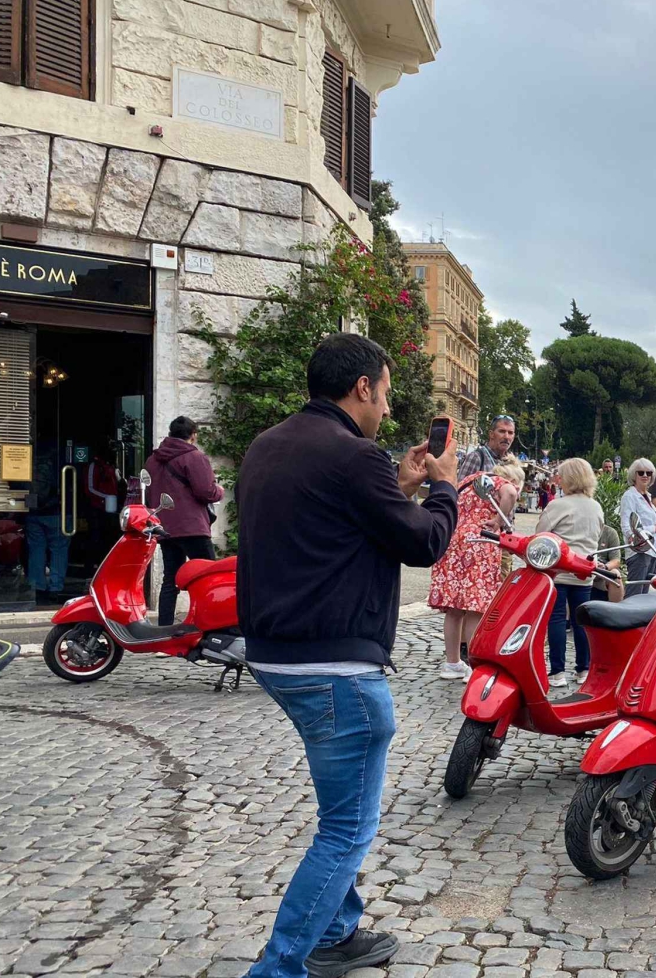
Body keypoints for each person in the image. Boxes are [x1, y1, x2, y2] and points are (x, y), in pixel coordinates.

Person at [237, 333, 458, 978]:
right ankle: (277, 970)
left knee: (341, 808)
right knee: (345, 831)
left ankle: (336, 930)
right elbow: (421, 544)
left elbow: (339, 522)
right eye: (386, 393)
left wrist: (399, 482)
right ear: (361, 387)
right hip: (336, 667)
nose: (389, 409)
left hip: (275, 654)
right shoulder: (354, 456)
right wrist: (441, 489)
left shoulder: (268, 445)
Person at [427, 452, 522, 679]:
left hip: (452, 543)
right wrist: (499, 521)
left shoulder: (468, 482)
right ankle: (475, 666)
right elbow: (508, 493)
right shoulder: (500, 481)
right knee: (475, 609)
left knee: (455, 609)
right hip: (479, 543)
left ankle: (452, 663)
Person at [145, 416, 224, 625]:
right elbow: (205, 491)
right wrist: (219, 491)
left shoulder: (153, 460)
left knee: (170, 580)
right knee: (209, 578)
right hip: (192, 527)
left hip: (165, 527)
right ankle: (212, 626)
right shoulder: (194, 457)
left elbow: (148, 492)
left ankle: (164, 630)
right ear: (193, 435)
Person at [536, 458, 604, 686]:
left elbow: (540, 535)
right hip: (585, 572)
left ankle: (557, 672)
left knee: (556, 619)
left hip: (558, 571)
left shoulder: (558, 505)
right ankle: (583, 669)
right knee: (580, 622)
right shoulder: (596, 506)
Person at [25, 440, 69, 607]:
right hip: (56, 511)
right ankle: (56, 588)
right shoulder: (59, 463)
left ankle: (37, 587)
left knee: (36, 549)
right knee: (58, 549)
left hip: (34, 511)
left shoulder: (30, 461)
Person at [619, 458, 656, 595]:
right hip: (639, 551)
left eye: (649, 473)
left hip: (652, 550)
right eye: (641, 472)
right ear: (634, 475)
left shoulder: (648, 496)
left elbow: (650, 520)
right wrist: (654, 529)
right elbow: (627, 528)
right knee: (634, 594)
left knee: (644, 594)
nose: (645, 475)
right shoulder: (629, 496)